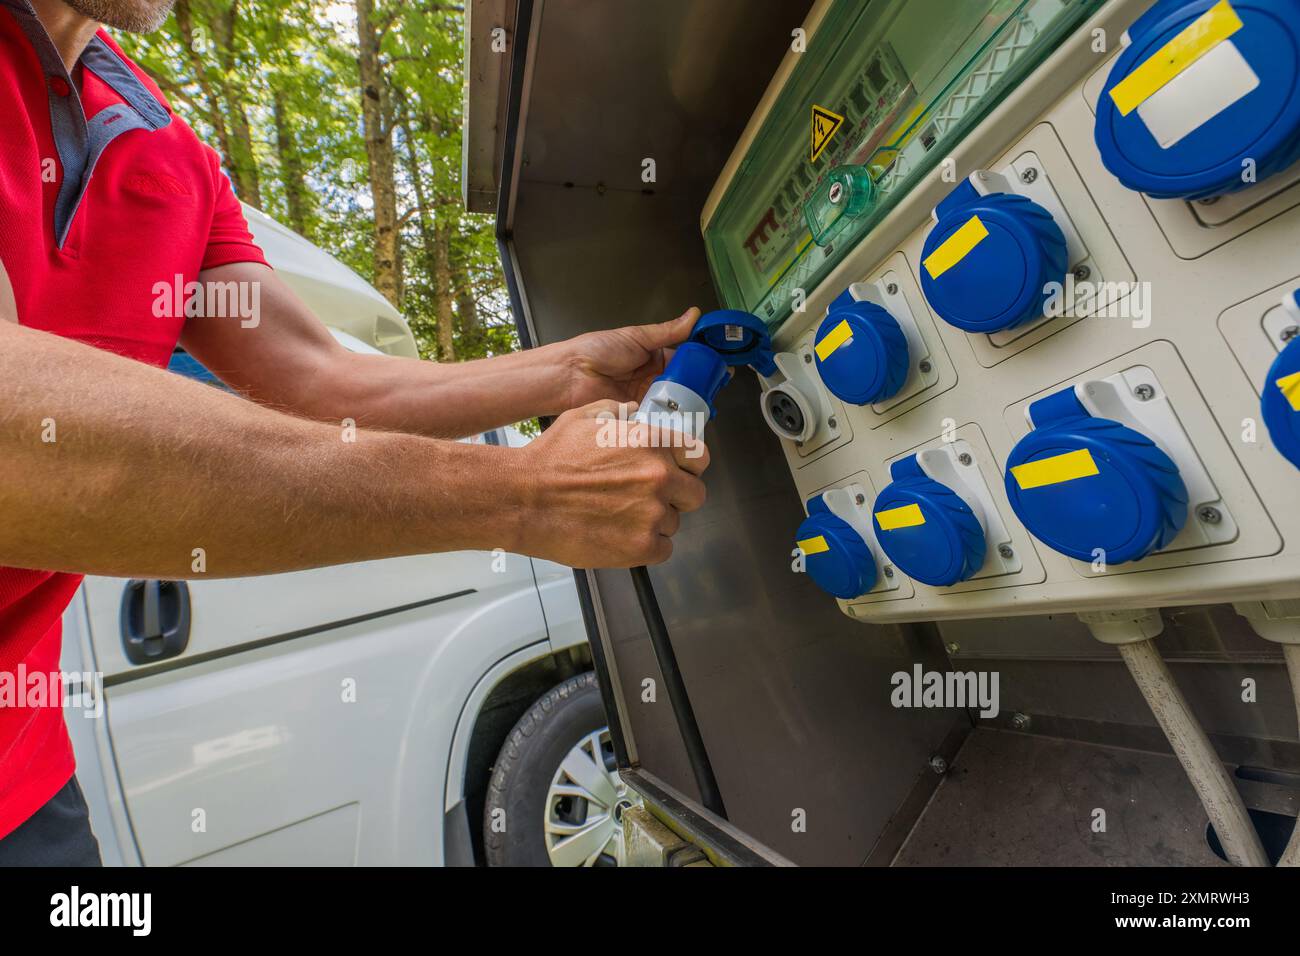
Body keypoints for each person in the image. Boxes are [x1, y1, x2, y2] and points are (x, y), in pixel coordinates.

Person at [0, 0, 709, 864]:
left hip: (23, 774)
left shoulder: (165, 144)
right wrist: (521, 495)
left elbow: (318, 377)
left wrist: (565, 373)